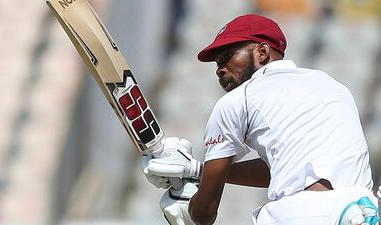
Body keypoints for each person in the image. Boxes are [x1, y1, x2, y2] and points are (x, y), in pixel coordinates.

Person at [141, 14, 380, 225]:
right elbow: (283, 169)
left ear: (262, 52)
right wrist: (197, 170)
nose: (220, 69)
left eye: (228, 56)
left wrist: (184, 207)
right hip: (360, 208)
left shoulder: (236, 101)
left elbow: (204, 213)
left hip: (298, 215)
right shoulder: (333, 86)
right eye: (217, 64)